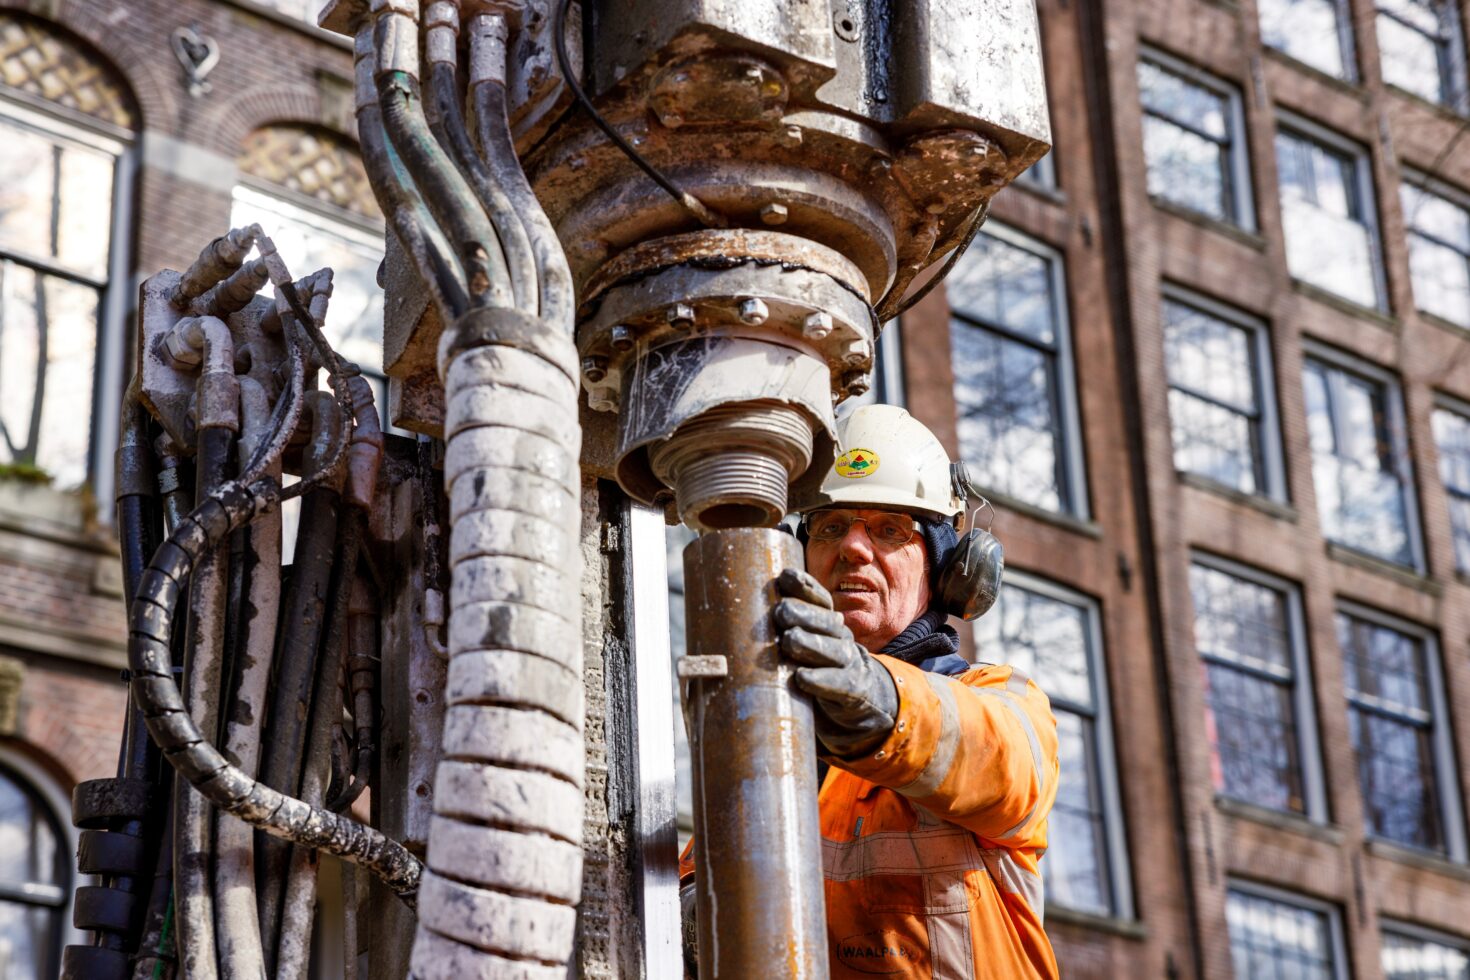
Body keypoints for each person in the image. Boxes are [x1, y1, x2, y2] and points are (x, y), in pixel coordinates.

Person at [680, 404, 1060, 979]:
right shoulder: (768, 748)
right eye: (831, 527)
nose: (853, 549)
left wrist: (871, 696)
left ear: (947, 572)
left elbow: (994, 755)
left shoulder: (1000, 699)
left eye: (889, 529)